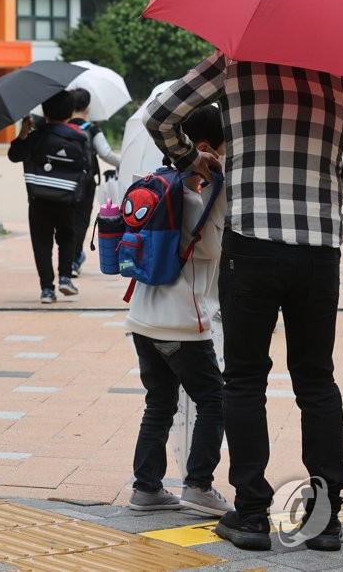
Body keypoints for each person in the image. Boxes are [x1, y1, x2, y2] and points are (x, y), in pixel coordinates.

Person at [145, 52, 343, 552]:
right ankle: (324, 520)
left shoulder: (235, 64)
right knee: (316, 379)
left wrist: (192, 160)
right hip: (319, 249)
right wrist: (320, 194)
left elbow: (160, 115)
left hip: (251, 245)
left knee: (245, 377)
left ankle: (251, 514)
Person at [125, 104, 231, 517]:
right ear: (205, 149)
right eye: (227, 148)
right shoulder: (207, 196)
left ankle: (146, 488)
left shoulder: (156, 181)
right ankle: (199, 485)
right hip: (182, 322)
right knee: (215, 399)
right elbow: (216, 249)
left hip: (142, 317)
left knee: (160, 401)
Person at [7, 91, 91, 303]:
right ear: (70, 113)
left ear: (45, 113)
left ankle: (47, 289)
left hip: (38, 198)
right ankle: (65, 277)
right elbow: (86, 169)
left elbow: (14, 156)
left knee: (42, 242)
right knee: (67, 236)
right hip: (67, 198)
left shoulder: (36, 136)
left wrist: (23, 134)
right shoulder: (79, 137)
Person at [67, 88, 121, 277]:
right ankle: (73, 261)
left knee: (65, 220)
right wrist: (125, 162)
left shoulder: (61, 127)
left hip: (63, 183)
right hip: (84, 183)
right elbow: (106, 153)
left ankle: (65, 259)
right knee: (81, 221)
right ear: (88, 108)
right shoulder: (91, 129)